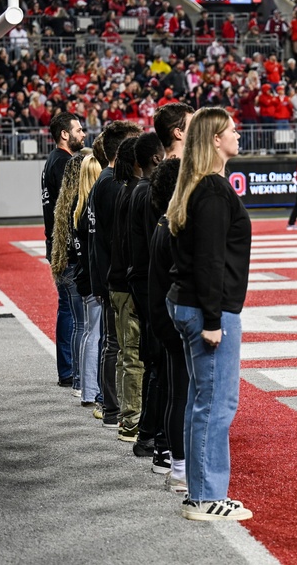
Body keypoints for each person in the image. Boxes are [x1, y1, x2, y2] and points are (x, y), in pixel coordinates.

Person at [165, 107, 253, 521]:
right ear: (216, 139)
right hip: (207, 310)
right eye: (231, 129)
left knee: (202, 400)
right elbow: (210, 261)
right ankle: (207, 497)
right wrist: (215, 320)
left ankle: (199, 491)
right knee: (217, 403)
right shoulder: (214, 190)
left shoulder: (198, 185)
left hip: (191, 304)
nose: (238, 134)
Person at [85, 120, 143, 430]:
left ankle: (110, 405)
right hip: (114, 276)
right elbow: (112, 238)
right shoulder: (111, 184)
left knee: (114, 343)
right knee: (116, 344)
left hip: (107, 273)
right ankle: (111, 407)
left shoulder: (105, 181)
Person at [147, 157, 186, 493]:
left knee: (177, 395)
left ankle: (177, 464)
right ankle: (182, 468)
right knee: (183, 396)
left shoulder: (162, 223)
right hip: (173, 325)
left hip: (164, 321)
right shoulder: (170, 226)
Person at [128, 132, 166, 465]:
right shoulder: (147, 193)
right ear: (157, 158)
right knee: (157, 362)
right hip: (149, 285)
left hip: (141, 282)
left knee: (153, 360)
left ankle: (148, 432)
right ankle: (149, 434)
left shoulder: (137, 190)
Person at [41, 112, 87, 387]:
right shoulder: (64, 163)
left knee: (66, 307)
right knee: (73, 310)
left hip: (57, 245)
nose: (83, 134)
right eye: (78, 130)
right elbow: (70, 208)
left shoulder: (52, 160)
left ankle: (68, 369)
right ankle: (70, 370)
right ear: (64, 134)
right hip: (67, 248)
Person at [50, 150, 92, 399]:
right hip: (76, 266)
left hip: (64, 265)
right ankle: (82, 380)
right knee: (85, 326)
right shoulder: (80, 201)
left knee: (77, 324)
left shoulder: (63, 201)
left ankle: (75, 377)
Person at [72, 155, 103, 411]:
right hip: (93, 278)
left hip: (83, 275)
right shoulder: (90, 208)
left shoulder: (78, 206)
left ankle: (85, 386)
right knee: (95, 334)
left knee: (88, 332)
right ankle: (91, 389)